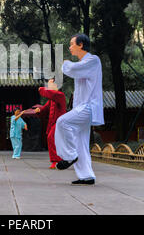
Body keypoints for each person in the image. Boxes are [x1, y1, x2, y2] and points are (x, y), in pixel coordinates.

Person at [55, 34, 104, 185]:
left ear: (81, 44)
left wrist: (65, 63)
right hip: (82, 107)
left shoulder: (93, 60)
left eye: (71, 44)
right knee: (80, 142)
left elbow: (72, 69)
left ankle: (69, 156)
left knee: (62, 122)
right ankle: (87, 175)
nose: (70, 47)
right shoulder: (85, 63)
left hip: (88, 107)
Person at [34, 78, 66, 169]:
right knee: (54, 139)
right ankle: (59, 160)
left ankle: (56, 161)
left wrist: (41, 89)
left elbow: (46, 92)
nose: (48, 87)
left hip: (60, 123)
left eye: (50, 85)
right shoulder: (51, 100)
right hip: (53, 123)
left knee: (51, 137)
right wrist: (39, 111)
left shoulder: (60, 95)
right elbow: (44, 109)